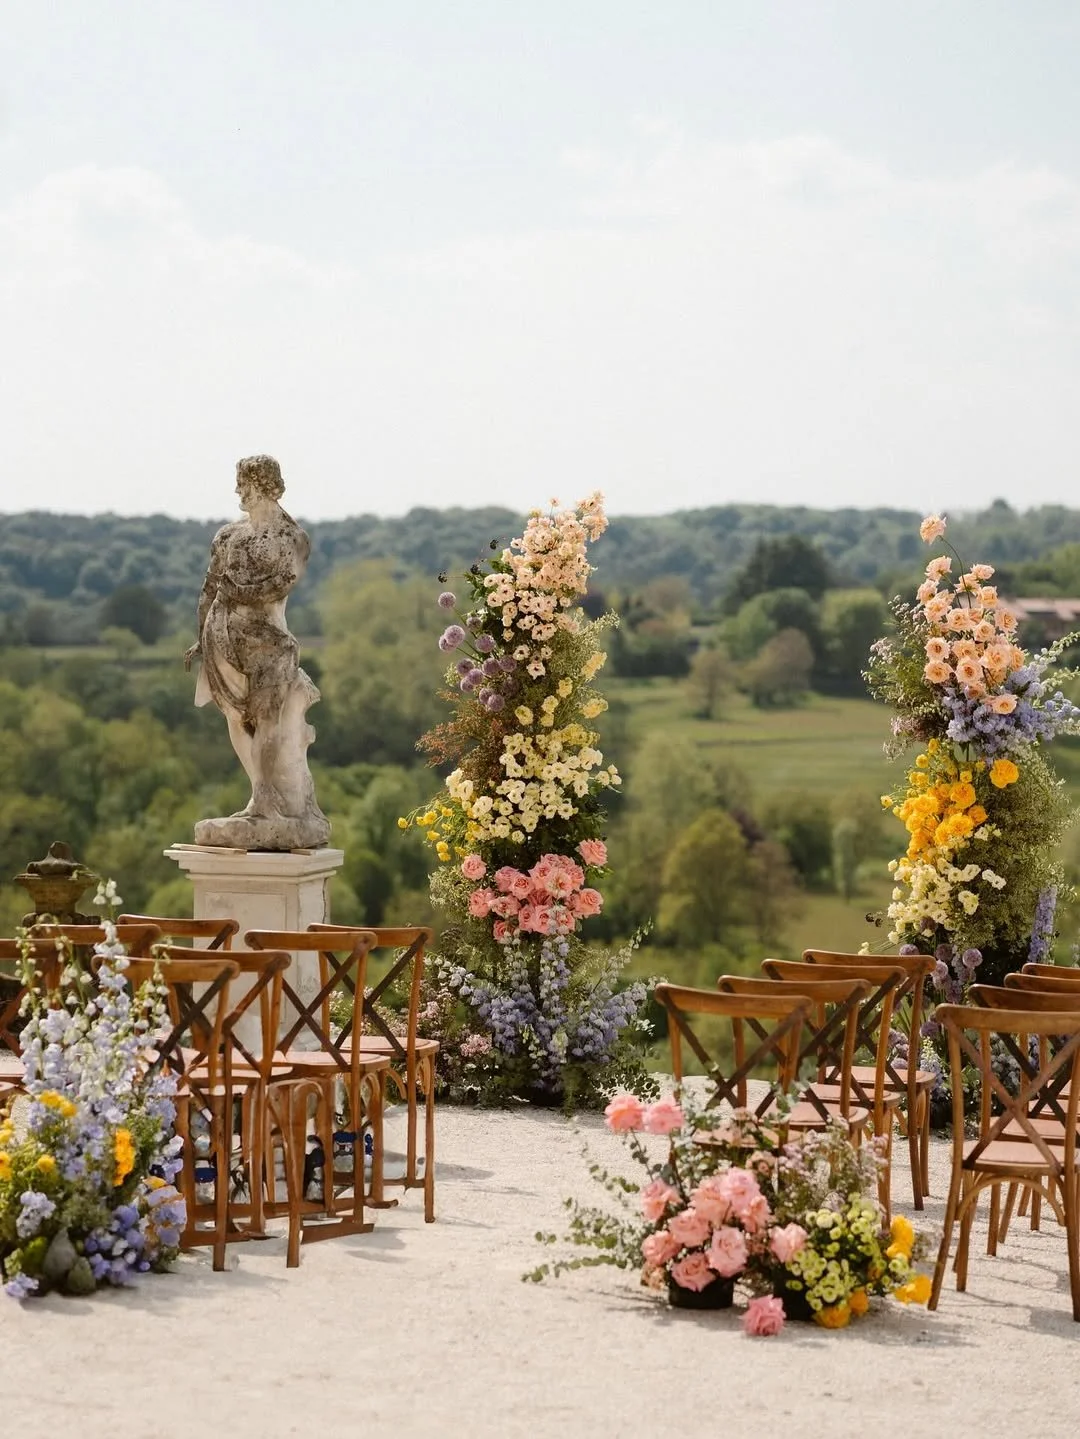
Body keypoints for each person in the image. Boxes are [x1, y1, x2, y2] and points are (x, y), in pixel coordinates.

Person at [185, 455, 330, 850]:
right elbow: (208, 589)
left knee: (266, 718)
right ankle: (259, 796)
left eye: (243, 484)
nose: (237, 491)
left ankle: (269, 800)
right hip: (222, 636)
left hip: (268, 639)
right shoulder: (228, 535)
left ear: (265, 485)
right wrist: (201, 636)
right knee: (235, 718)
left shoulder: (291, 538)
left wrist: (237, 592)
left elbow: (278, 588)